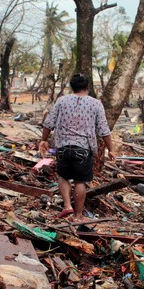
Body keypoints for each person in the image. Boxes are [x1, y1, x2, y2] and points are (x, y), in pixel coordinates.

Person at [40, 74, 115, 222]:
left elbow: (48, 123)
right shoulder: (95, 104)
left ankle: (67, 206)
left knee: (63, 177)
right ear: (87, 87)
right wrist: (110, 149)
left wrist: (43, 140)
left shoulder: (62, 101)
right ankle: (77, 215)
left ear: (72, 87)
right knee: (80, 182)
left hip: (62, 147)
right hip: (83, 148)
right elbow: (104, 130)